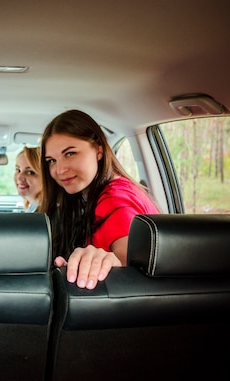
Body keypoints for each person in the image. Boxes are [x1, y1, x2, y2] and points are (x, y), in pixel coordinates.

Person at [39, 109, 159, 290]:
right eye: (51, 161)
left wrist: (109, 262)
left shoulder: (114, 200)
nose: (60, 169)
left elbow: (134, 272)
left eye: (70, 153)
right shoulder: (105, 193)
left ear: (98, 151)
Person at [14, 146, 42, 212]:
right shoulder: (33, 208)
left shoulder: (45, 214)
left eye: (30, 172)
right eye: (18, 170)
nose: (19, 178)